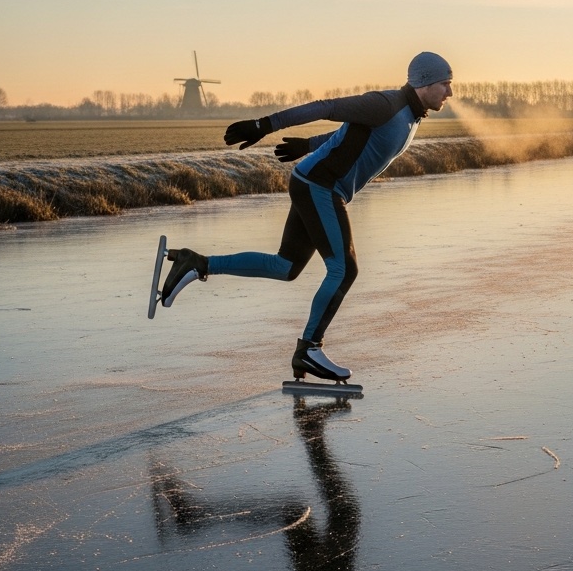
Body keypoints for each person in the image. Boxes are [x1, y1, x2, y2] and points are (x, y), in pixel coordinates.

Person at [155, 52, 453, 382]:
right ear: (425, 83)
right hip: (321, 186)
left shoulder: (409, 115)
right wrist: (264, 125)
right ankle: (309, 349)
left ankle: (196, 263)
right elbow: (326, 107)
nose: (450, 93)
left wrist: (307, 145)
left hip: (313, 182)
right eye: (445, 84)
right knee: (344, 270)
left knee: (286, 267)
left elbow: (351, 134)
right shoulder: (385, 104)